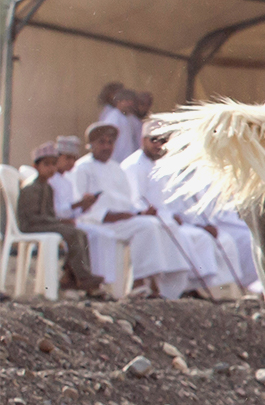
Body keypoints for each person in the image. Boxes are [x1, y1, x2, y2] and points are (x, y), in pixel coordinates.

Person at [67, 123, 191, 296]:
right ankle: (140, 282)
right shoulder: (82, 168)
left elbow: (127, 202)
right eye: (101, 142)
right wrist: (116, 216)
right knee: (147, 226)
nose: (106, 147)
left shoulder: (116, 168)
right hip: (96, 221)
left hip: (120, 220)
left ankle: (154, 283)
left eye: (110, 142)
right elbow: (80, 203)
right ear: (91, 145)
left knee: (152, 223)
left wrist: (139, 213)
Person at [123, 122, 240, 293]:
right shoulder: (133, 165)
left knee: (204, 239)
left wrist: (172, 215)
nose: (158, 145)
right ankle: (161, 288)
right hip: (144, 219)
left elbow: (166, 201)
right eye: (154, 140)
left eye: (162, 141)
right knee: (184, 239)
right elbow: (134, 199)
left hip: (166, 218)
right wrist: (144, 211)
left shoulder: (161, 164)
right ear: (143, 140)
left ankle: (193, 288)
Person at [14, 143, 106, 295]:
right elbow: (31, 218)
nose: (51, 168)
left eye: (53, 164)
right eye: (46, 165)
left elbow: (50, 213)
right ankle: (82, 277)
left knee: (79, 233)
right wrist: (56, 222)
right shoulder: (31, 187)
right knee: (72, 233)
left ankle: (71, 277)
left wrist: (58, 221)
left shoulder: (48, 187)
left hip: (44, 223)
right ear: (36, 166)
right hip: (31, 226)